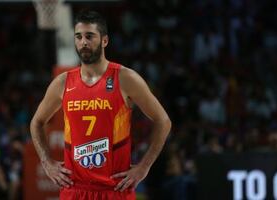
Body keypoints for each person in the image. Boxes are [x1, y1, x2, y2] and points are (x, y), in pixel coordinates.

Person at [30, 10, 171, 200]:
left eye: (90, 36)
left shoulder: (125, 78)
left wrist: (143, 167)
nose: (83, 42)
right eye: (78, 37)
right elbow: (36, 122)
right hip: (75, 189)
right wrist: (47, 163)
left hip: (115, 189)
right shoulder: (63, 82)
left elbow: (163, 121)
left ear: (105, 41)